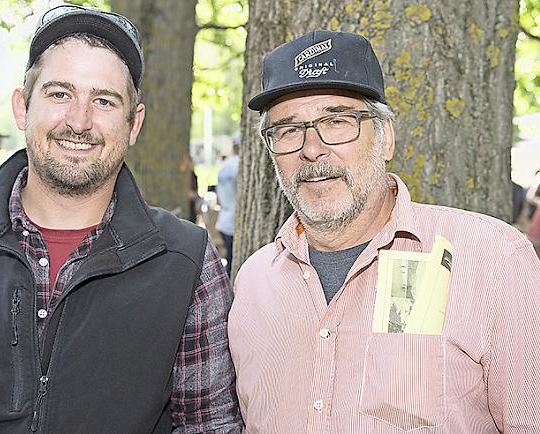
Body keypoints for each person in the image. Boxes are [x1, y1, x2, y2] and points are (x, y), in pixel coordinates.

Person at [0, 5, 241, 433]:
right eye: (60, 94)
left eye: (104, 100)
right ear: (22, 109)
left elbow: (209, 426)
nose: (79, 121)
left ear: (134, 124)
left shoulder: (187, 262)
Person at [228, 30, 540, 432]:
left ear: (385, 137)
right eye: (289, 130)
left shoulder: (493, 262)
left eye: (336, 121)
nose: (311, 149)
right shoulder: (254, 284)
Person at [215, 138, 239, 275]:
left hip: (224, 220)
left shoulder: (224, 166)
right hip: (234, 222)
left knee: (230, 260)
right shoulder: (240, 166)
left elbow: (219, 198)